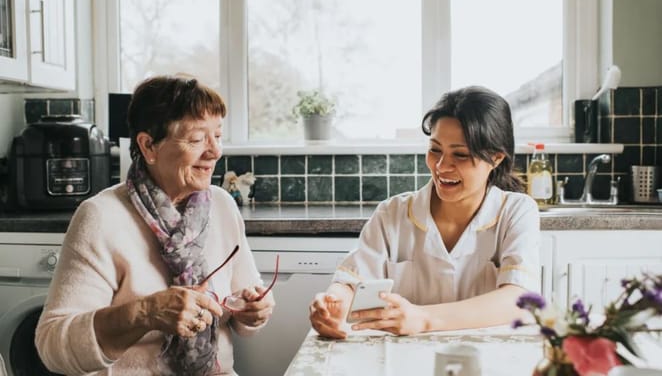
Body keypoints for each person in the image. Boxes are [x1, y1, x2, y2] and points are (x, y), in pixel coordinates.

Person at [35, 75, 275, 375]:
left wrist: (253, 311)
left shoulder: (222, 205)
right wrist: (145, 313)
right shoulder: (100, 217)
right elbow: (53, 349)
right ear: (149, 145)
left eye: (218, 135)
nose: (215, 152)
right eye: (198, 139)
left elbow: (244, 314)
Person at [309, 86, 540, 339]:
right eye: (435, 149)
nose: (441, 166)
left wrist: (423, 319)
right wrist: (333, 305)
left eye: (460, 155)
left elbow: (519, 298)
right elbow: (351, 282)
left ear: (496, 158)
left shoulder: (517, 211)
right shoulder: (392, 214)